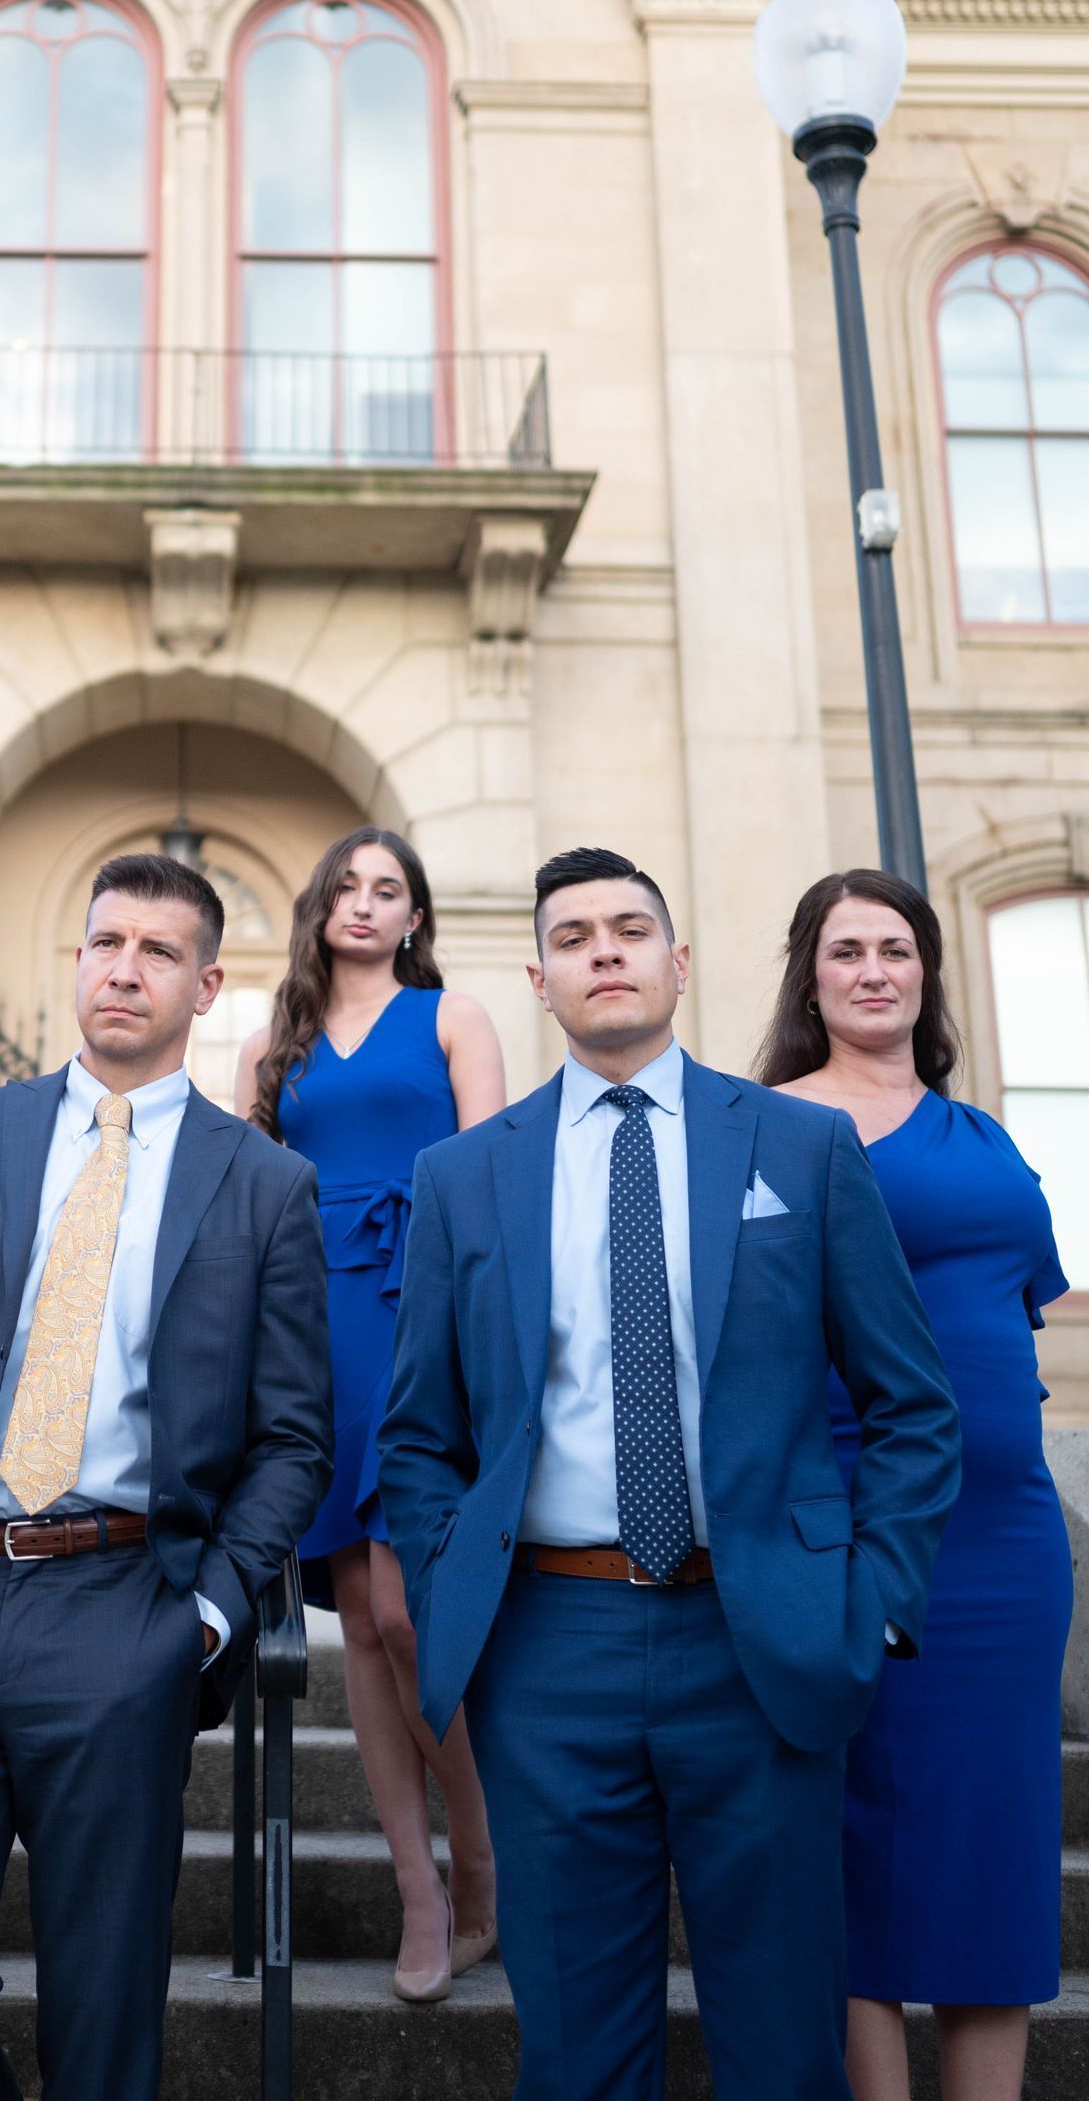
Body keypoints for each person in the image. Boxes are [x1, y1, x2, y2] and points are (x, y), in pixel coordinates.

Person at [380, 847, 962, 2101]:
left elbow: (913, 1406)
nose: (606, 950)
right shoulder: (464, 1176)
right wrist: (455, 1605)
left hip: (765, 1641)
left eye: (631, 929)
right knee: (578, 2058)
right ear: (539, 979)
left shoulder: (804, 1150)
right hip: (549, 1649)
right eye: (576, 936)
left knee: (781, 2054)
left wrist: (873, 1603)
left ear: (677, 962)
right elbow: (419, 1437)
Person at [0, 851, 333, 2101]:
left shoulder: (264, 1185)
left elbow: (295, 1435)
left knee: (104, 2029)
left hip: (119, 1612)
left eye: (158, 952)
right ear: (78, 957)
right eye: (106, 942)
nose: (124, 969)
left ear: (207, 987)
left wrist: (205, 1613)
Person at [760, 869, 1072, 2101]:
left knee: (995, 1858)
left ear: (927, 973)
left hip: (1008, 1544)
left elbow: (1017, 1310)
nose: (874, 970)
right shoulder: (771, 1124)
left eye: (896, 948)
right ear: (812, 976)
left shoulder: (982, 1130)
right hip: (859, 1534)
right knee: (864, 1859)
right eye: (847, 952)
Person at [234, 825, 506, 2000]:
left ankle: (486, 1871)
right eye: (346, 884)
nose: (365, 902)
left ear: (414, 917)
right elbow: (236, 1200)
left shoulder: (455, 1019)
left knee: (406, 1618)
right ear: (319, 906)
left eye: (388, 889)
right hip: (316, 1331)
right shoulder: (269, 1043)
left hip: (424, 1317)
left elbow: (491, 1180)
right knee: (357, 1617)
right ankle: (420, 1896)